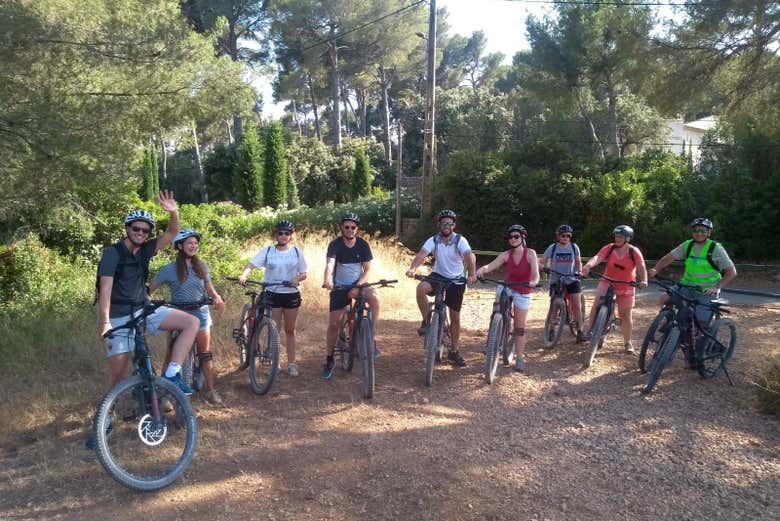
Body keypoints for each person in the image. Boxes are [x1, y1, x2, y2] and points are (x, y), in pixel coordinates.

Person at [91, 191, 200, 448]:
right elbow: (105, 289)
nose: (141, 234)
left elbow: (172, 234)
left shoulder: (146, 250)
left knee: (191, 323)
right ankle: (102, 423)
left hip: (143, 309)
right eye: (136, 229)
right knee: (117, 375)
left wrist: (173, 211)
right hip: (118, 316)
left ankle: (172, 374)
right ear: (128, 229)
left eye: (145, 231)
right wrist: (105, 322)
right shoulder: (112, 254)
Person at [149, 229, 226, 404]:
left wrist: (217, 298)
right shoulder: (168, 269)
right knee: (170, 355)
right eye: (190, 242)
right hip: (178, 316)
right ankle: (164, 394)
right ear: (180, 246)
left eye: (196, 243)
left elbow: (209, 287)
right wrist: (145, 302)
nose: (194, 246)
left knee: (205, 354)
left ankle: (211, 390)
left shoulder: (202, 267)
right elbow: (150, 289)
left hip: (201, 315)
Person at [405, 209, 477, 367]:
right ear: (439, 225)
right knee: (421, 289)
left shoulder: (460, 240)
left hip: (456, 280)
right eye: (444, 223)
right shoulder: (434, 240)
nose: (446, 226)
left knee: (455, 317)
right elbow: (422, 254)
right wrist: (413, 268)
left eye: (449, 223)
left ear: (454, 225)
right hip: (437, 275)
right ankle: (426, 321)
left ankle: (455, 350)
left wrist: (472, 274)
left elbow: (469, 257)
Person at [238, 220, 308, 377]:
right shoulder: (268, 251)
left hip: (291, 295)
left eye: (287, 233)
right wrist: (244, 274)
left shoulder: (297, 252)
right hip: (272, 293)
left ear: (292, 235)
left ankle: (291, 363)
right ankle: (275, 362)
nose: (283, 236)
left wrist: (297, 279)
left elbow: (304, 273)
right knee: (274, 330)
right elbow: (251, 265)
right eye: (280, 233)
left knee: (290, 330)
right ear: (276, 235)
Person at [321, 213, 378, 379]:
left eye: (353, 227)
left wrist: (358, 286)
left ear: (357, 229)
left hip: (359, 284)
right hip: (340, 286)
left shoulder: (362, 245)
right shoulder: (335, 245)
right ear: (342, 228)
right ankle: (329, 359)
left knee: (375, 299)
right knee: (334, 324)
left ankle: (370, 339)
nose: (350, 230)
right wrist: (327, 280)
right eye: (347, 227)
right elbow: (330, 265)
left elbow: (367, 270)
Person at [475, 224, 540, 372]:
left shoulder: (530, 254)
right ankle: (493, 336)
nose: (513, 239)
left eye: (516, 236)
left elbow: (536, 273)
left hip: (523, 289)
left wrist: (533, 282)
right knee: (497, 304)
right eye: (510, 237)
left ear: (523, 237)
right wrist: (481, 270)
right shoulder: (506, 254)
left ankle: (520, 357)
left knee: (519, 328)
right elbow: (490, 266)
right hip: (508, 286)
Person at [648, 217, 736, 320]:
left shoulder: (716, 248)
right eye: (696, 230)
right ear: (692, 232)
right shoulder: (688, 245)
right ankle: (669, 321)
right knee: (664, 299)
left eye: (703, 230)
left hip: (706, 290)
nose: (699, 233)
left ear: (709, 232)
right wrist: (656, 269)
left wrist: (717, 287)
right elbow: (668, 258)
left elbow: (731, 272)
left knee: (701, 323)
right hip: (686, 285)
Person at [581, 225, 648, 353]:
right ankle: (591, 331)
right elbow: (598, 257)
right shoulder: (609, 248)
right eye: (616, 236)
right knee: (596, 306)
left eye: (620, 236)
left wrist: (644, 280)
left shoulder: (633, 251)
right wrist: (588, 266)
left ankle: (627, 342)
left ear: (627, 238)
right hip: (607, 281)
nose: (617, 239)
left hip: (626, 285)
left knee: (625, 315)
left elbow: (641, 266)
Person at [540, 224, 587, 342]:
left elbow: (578, 262)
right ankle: (551, 330)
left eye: (568, 236)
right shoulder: (553, 248)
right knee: (554, 306)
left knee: (577, 305)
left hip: (572, 278)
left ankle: (580, 331)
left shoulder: (574, 247)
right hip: (556, 279)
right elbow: (541, 261)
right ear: (558, 236)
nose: (566, 237)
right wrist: (543, 268)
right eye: (563, 235)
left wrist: (580, 271)